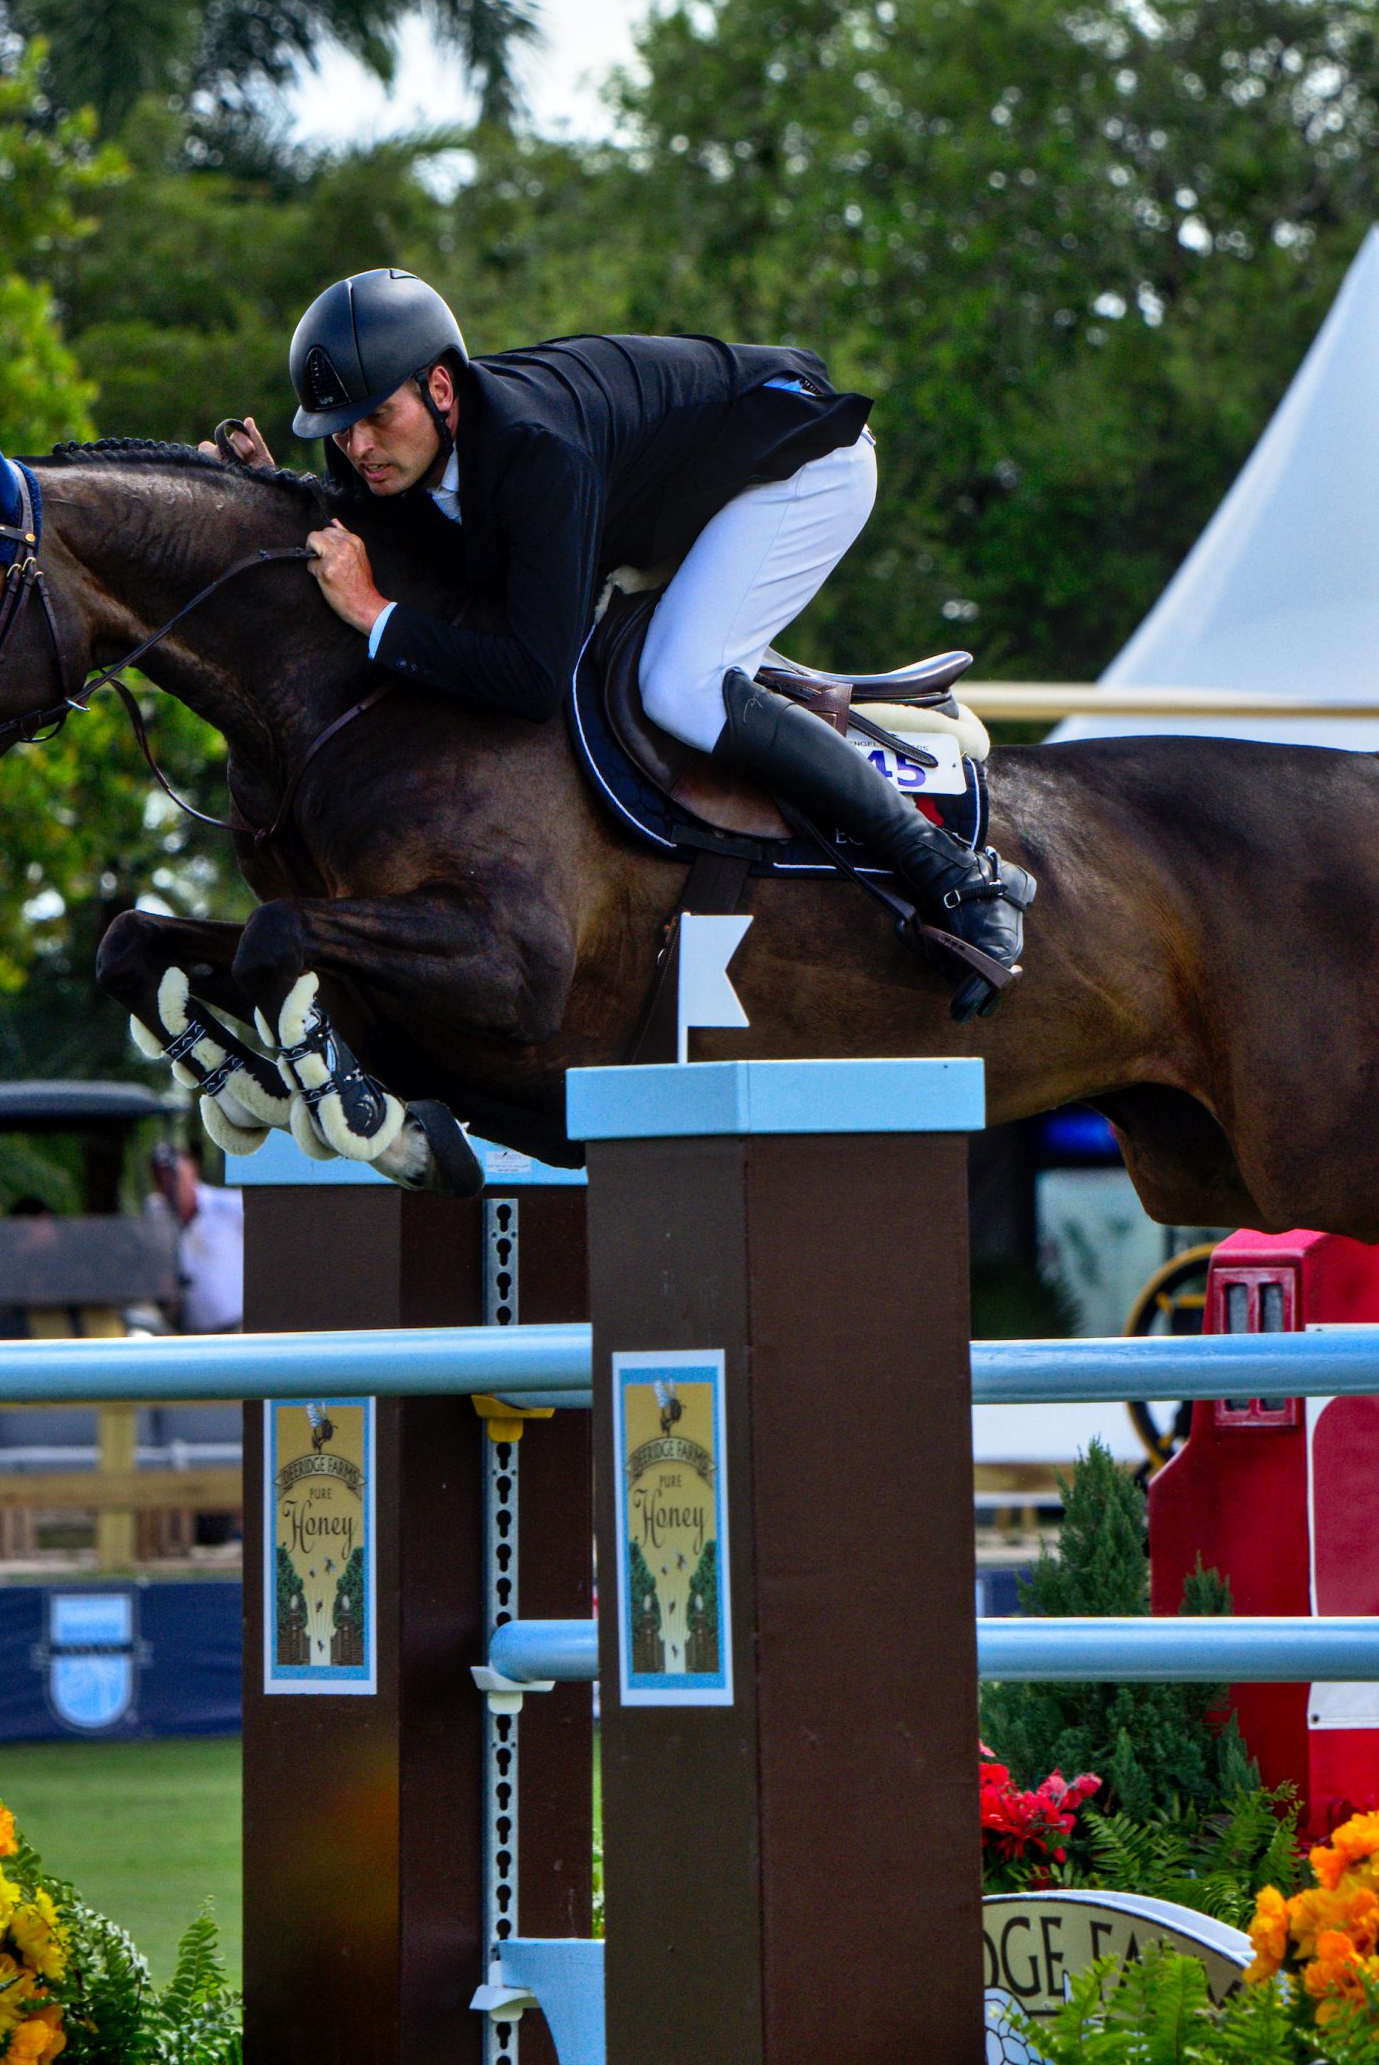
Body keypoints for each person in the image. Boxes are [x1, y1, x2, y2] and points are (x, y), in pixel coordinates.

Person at [207, 271, 1032, 1011]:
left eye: (375, 419)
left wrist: (376, 618)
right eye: (340, 429)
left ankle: (957, 878)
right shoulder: (385, 448)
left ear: (441, 390)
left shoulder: (538, 451)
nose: (356, 449)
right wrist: (279, 491)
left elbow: (532, 677)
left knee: (679, 683)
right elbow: (391, 548)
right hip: (677, 492)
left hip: (801, 466)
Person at [148, 1142, 244, 1333]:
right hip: (189, 1334)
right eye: (162, 1178)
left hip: (237, 1329)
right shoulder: (155, 1213)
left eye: (176, 1176)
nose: (170, 1185)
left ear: (192, 1170)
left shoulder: (228, 1205)